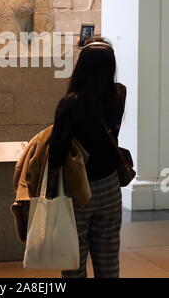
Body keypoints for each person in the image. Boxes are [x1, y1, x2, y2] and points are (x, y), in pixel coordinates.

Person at [48, 37, 127, 279]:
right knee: (108, 260)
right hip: (110, 186)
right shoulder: (118, 94)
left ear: (81, 65)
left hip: (77, 190)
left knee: (74, 260)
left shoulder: (70, 103)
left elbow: (57, 149)